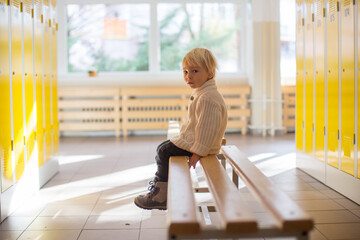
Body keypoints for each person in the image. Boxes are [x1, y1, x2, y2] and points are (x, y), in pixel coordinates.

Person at [134, 48, 228, 210]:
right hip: (197, 142)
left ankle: (160, 196)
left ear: (210, 73)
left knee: (163, 151)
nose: (188, 76)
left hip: (201, 146)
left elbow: (207, 128)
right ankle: (163, 189)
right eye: (185, 71)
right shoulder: (204, 92)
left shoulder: (207, 97)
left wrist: (197, 153)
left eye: (195, 71)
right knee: (163, 148)